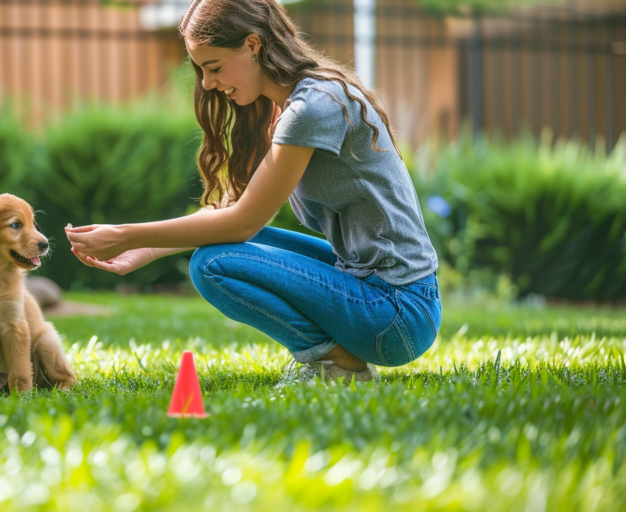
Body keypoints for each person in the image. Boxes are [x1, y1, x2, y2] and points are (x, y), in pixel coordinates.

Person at [65, 0, 441, 384]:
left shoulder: (313, 107)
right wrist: (142, 250)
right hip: (375, 291)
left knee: (212, 265)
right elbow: (231, 216)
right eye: (202, 71)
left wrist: (126, 235)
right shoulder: (292, 104)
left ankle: (337, 364)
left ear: (252, 45)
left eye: (213, 67)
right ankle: (338, 360)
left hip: (396, 313)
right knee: (217, 249)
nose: (208, 83)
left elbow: (241, 224)